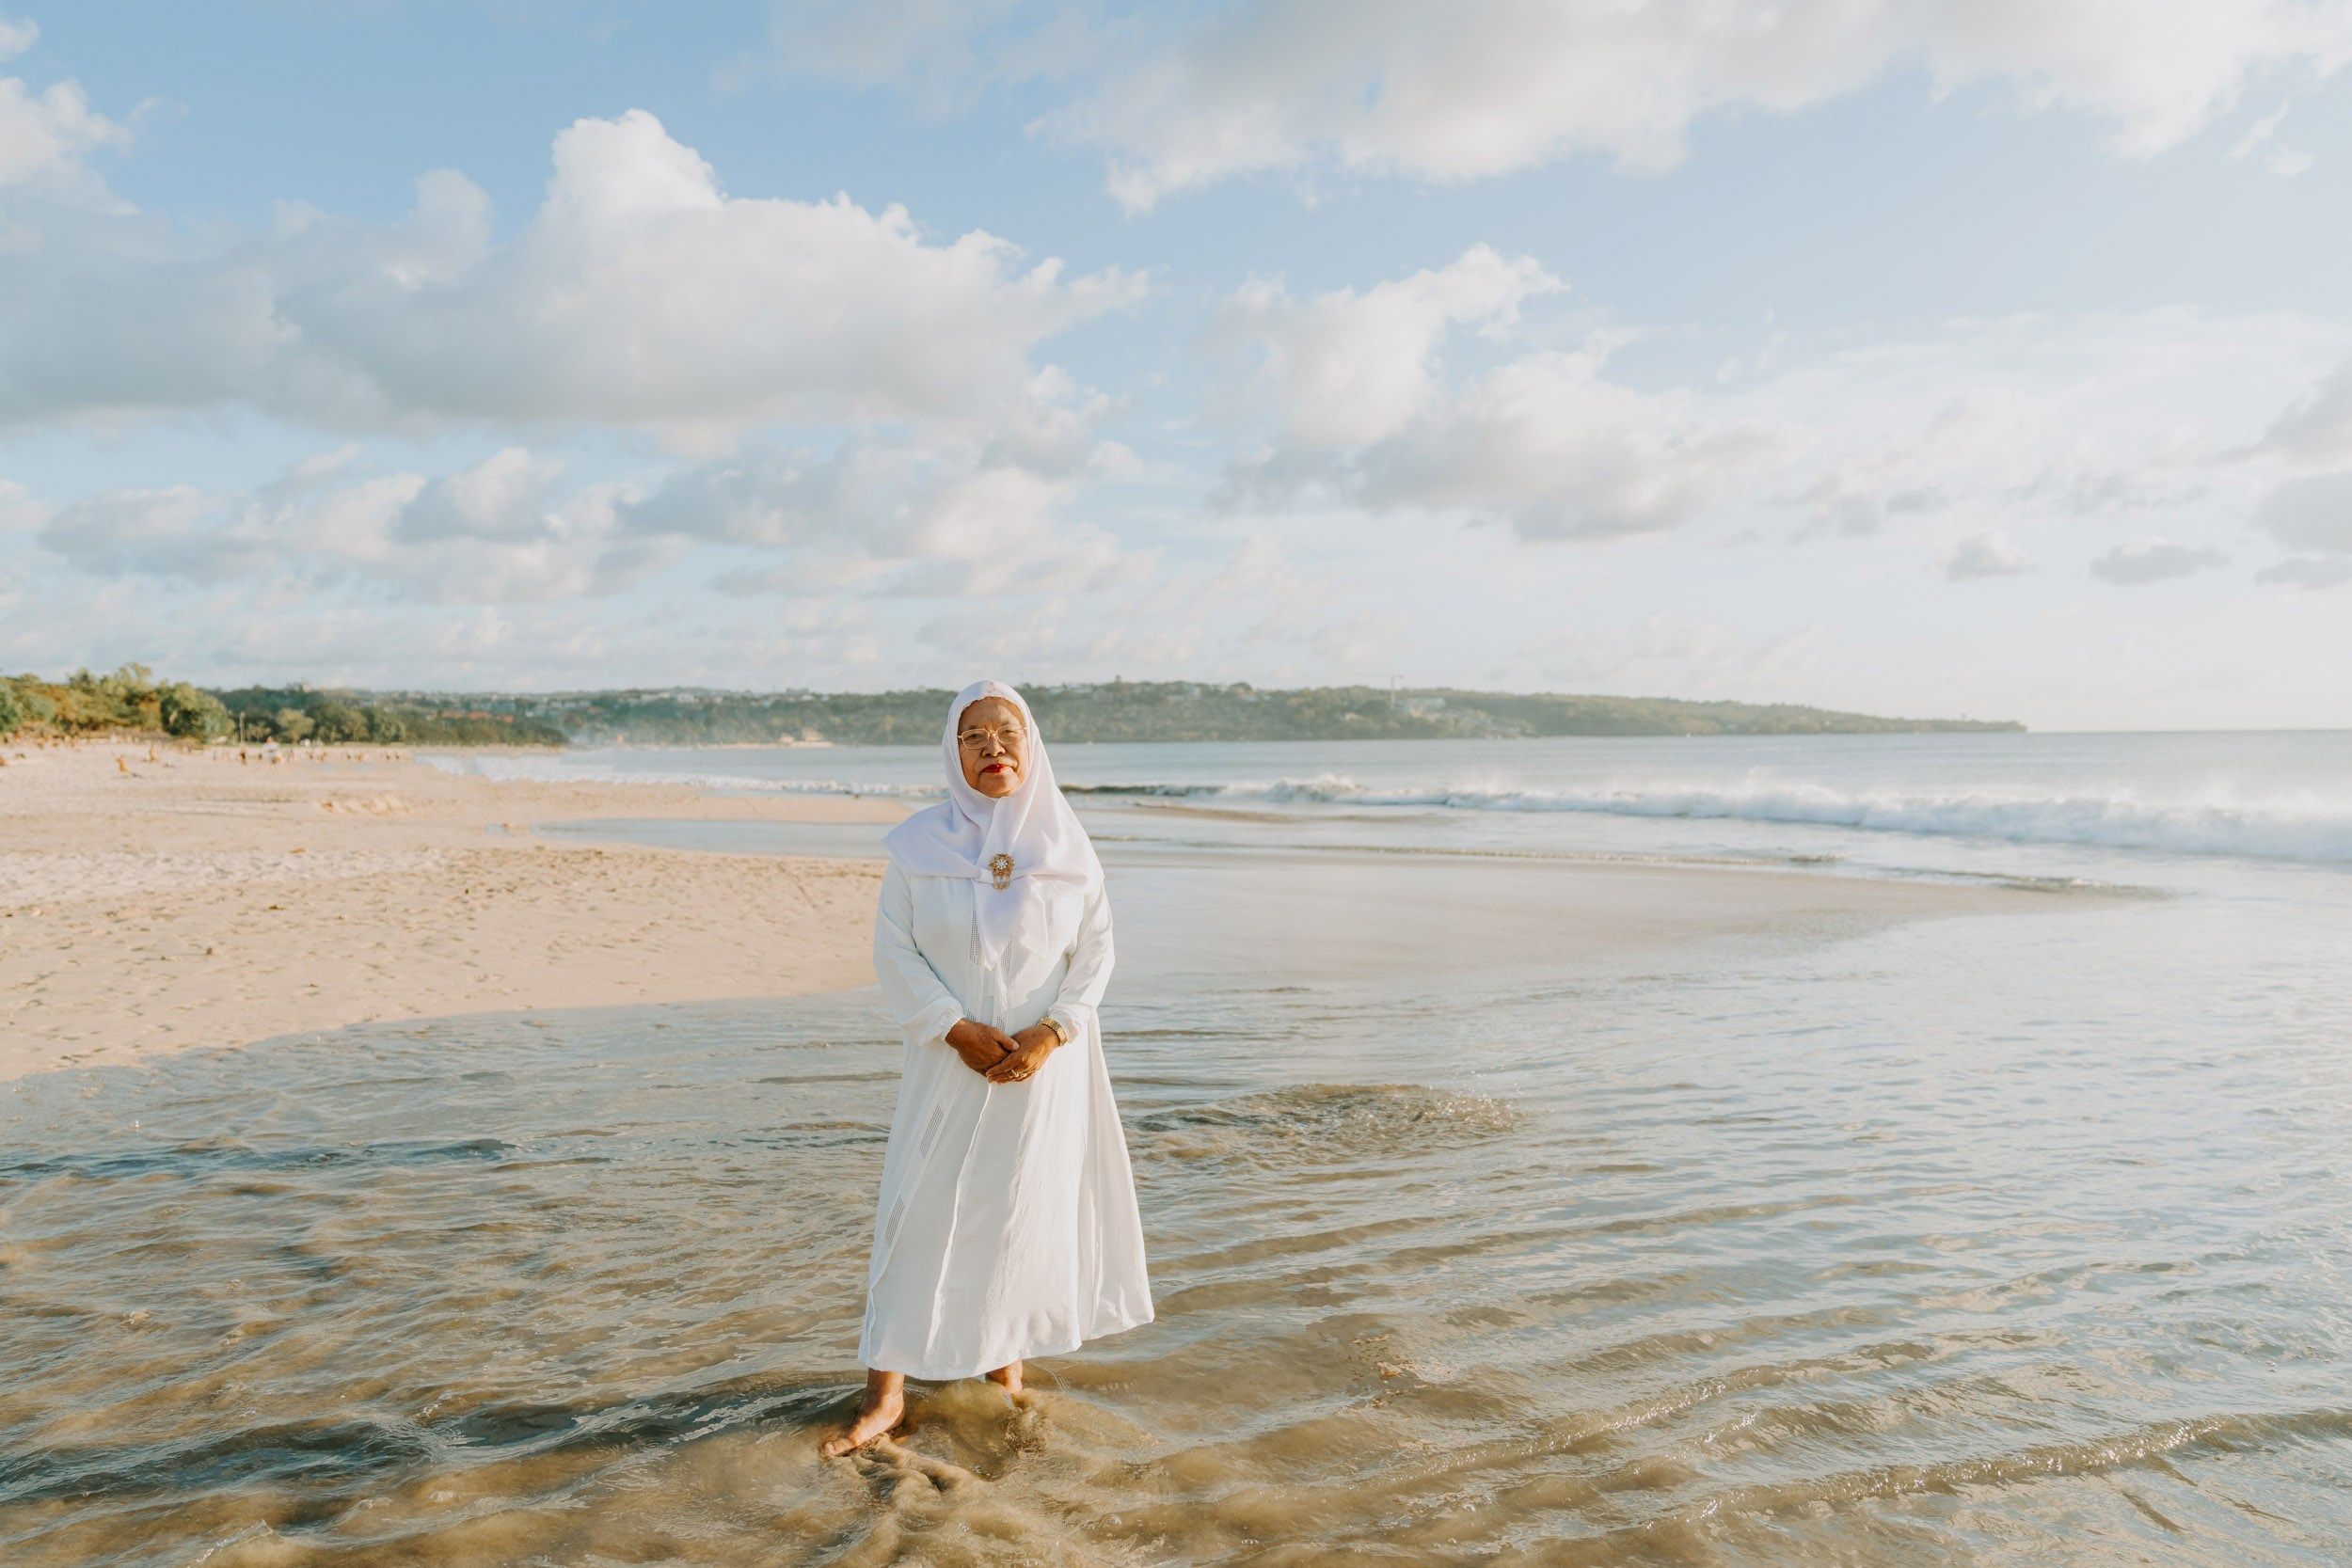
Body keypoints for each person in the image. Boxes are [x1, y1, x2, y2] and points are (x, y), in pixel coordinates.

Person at [822, 680, 1152, 1456]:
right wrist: (956, 1028)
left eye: (1008, 731)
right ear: (953, 751)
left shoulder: (1071, 850)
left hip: (1046, 1072)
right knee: (916, 1211)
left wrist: (1051, 1031)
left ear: (1032, 747)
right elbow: (894, 950)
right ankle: (885, 1398)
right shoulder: (916, 847)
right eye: (975, 735)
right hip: (948, 1061)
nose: (993, 745)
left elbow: (1096, 952)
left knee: (1017, 1213)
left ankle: (1005, 1373)